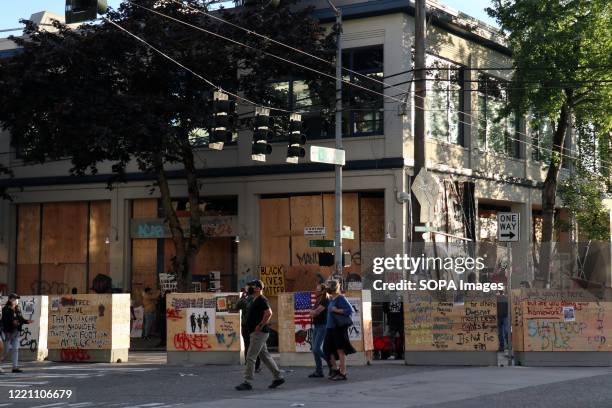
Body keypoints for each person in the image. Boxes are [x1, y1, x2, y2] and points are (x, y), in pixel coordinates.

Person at [235, 280, 284, 391]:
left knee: (250, 356)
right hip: (256, 332)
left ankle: (247, 382)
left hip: (259, 333)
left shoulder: (261, 299)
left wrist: (260, 325)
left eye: (251, 286)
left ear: (258, 288)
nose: (249, 288)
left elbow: (269, 313)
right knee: (265, 356)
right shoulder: (254, 299)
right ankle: (278, 377)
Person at [323, 280, 356, 381]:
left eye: (328, 286)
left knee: (340, 350)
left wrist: (336, 310)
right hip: (329, 328)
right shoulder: (331, 298)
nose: (326, 288)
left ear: (333, 288)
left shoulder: (340, 298)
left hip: (338, 328)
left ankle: (343, 372)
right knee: (327, 350)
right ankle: (335, 369)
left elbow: (350, 310)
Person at [1, 294, 32, 373]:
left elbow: (20, 318)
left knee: (15, 349)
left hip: (16, 332)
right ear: (10, 299)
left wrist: (26, 321)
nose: (16, 300)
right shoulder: (6, 308)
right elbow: (4, 320)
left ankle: (15, 367)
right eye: (15, 299)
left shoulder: (18, 308)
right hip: (8, 332)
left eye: (17, 299)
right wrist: (12, 322)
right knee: (6, 351)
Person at [235, 284, 261, 372]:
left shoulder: (244, 300)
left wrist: (242, 297)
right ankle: (256, 366)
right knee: (256, 346)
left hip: (245, 326)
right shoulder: (256, 300)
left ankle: (248, 364)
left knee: (247, 345)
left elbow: (236, 307)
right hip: (255, 326)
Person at [308, 282, 330, 378]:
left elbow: (316, 312)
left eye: (318, 290)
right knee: (314, 349)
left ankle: (331, 363)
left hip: (322, 326)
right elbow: (312, 312)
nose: (315, 291)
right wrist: (312, 312)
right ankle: (319, 371)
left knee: (317, 348)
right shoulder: (318, 300)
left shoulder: (325, 300)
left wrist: (313, 312)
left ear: (323, 291)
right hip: (317, 326)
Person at [383, 295, 404, 360]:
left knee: (392, 339)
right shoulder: (402, 297)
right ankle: (401, 354)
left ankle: (392, 354)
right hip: (401, 320)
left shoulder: (387, 297)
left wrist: (390, 312)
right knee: (403, 338)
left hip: (391, 321)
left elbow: (384, 309)